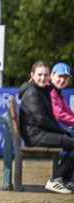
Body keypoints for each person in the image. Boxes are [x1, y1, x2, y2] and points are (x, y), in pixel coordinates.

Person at [18, 61, 74, 194]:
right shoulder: (32, 93)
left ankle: (65, 181)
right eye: (39, 75)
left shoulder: (43, 90)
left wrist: (64, 132)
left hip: (41, 133)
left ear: (49, 77)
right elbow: (42, 120)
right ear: (32, 75)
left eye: (45, 75)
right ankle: (56, 180)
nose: (42, 78)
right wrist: (63, 132)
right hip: (36, 136)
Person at [49, 62, 74, 130]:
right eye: (60, 76)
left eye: (66, 78)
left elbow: (67, 110)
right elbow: (58, 115)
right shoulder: (49, 90)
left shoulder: (58, 92)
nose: (62, 80)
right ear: (51, 76)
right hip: (42, 132)